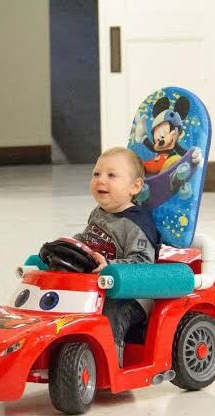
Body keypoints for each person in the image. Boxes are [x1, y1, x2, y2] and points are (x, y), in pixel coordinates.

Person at [73, 147, 160, 367]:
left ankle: (110, 366)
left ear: (135, 187)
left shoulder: (136, 224)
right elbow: (88, 239)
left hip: (131, 295)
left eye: (111, 175)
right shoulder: (99, 212)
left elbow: (142, 263)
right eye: (96, 174)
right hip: (99, 287)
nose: (101, 180)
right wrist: (71, 244)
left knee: (111, 313)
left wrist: (111, 265)